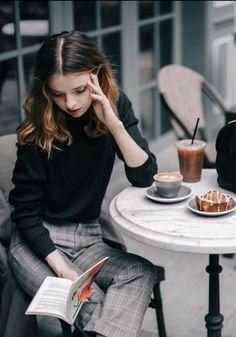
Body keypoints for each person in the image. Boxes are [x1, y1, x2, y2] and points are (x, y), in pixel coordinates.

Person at [8, 30, 159, 337]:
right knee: (95, 303)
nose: (71, 103)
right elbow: (25, 213)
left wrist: (114, 123)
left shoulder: (115, 104)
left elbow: (144, 176)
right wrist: (63, 270)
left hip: (88, 236)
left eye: (79, 90)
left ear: (96, 74)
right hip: (37, 243)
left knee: (140, 272)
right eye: (58, 94)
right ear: (46, 90)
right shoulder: (37, 127)